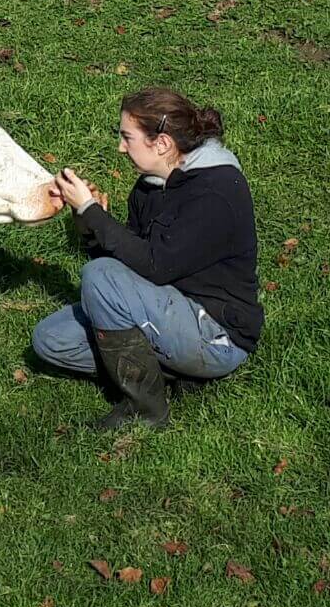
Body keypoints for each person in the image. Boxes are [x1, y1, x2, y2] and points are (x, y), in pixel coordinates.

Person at [31, 87, 261, 430]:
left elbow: (153, 266)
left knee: (100, 275)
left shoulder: (217, 191)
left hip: (216, 334)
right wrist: (89, 224)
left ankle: (146, 410)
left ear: (163, 143)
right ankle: (174, 372)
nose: (120, 147)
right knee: (50, 339)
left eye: (127, 137)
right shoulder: (149, 187)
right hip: (166, 312)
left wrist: (94, 213)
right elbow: (128, 268)